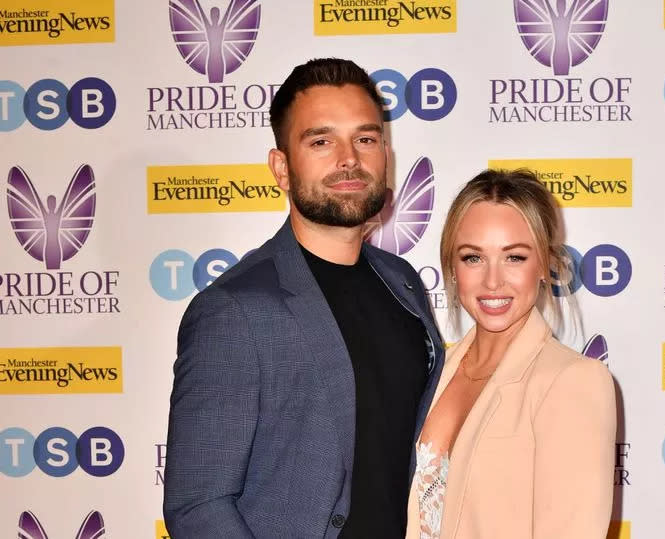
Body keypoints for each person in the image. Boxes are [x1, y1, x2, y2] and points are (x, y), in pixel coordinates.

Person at [163, 58, 445, 539]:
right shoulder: (234, 310)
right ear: (281, 168)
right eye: (321, 141)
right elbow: (197, 506)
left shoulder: (403, 285)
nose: (349, 159)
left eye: (366, 138)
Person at [406, 169, 616, 538]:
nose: (492, 281)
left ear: (545, 265)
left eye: (514, 257)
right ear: (452, 269)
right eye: (473, 258)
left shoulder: (573, 381)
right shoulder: (436, 372)